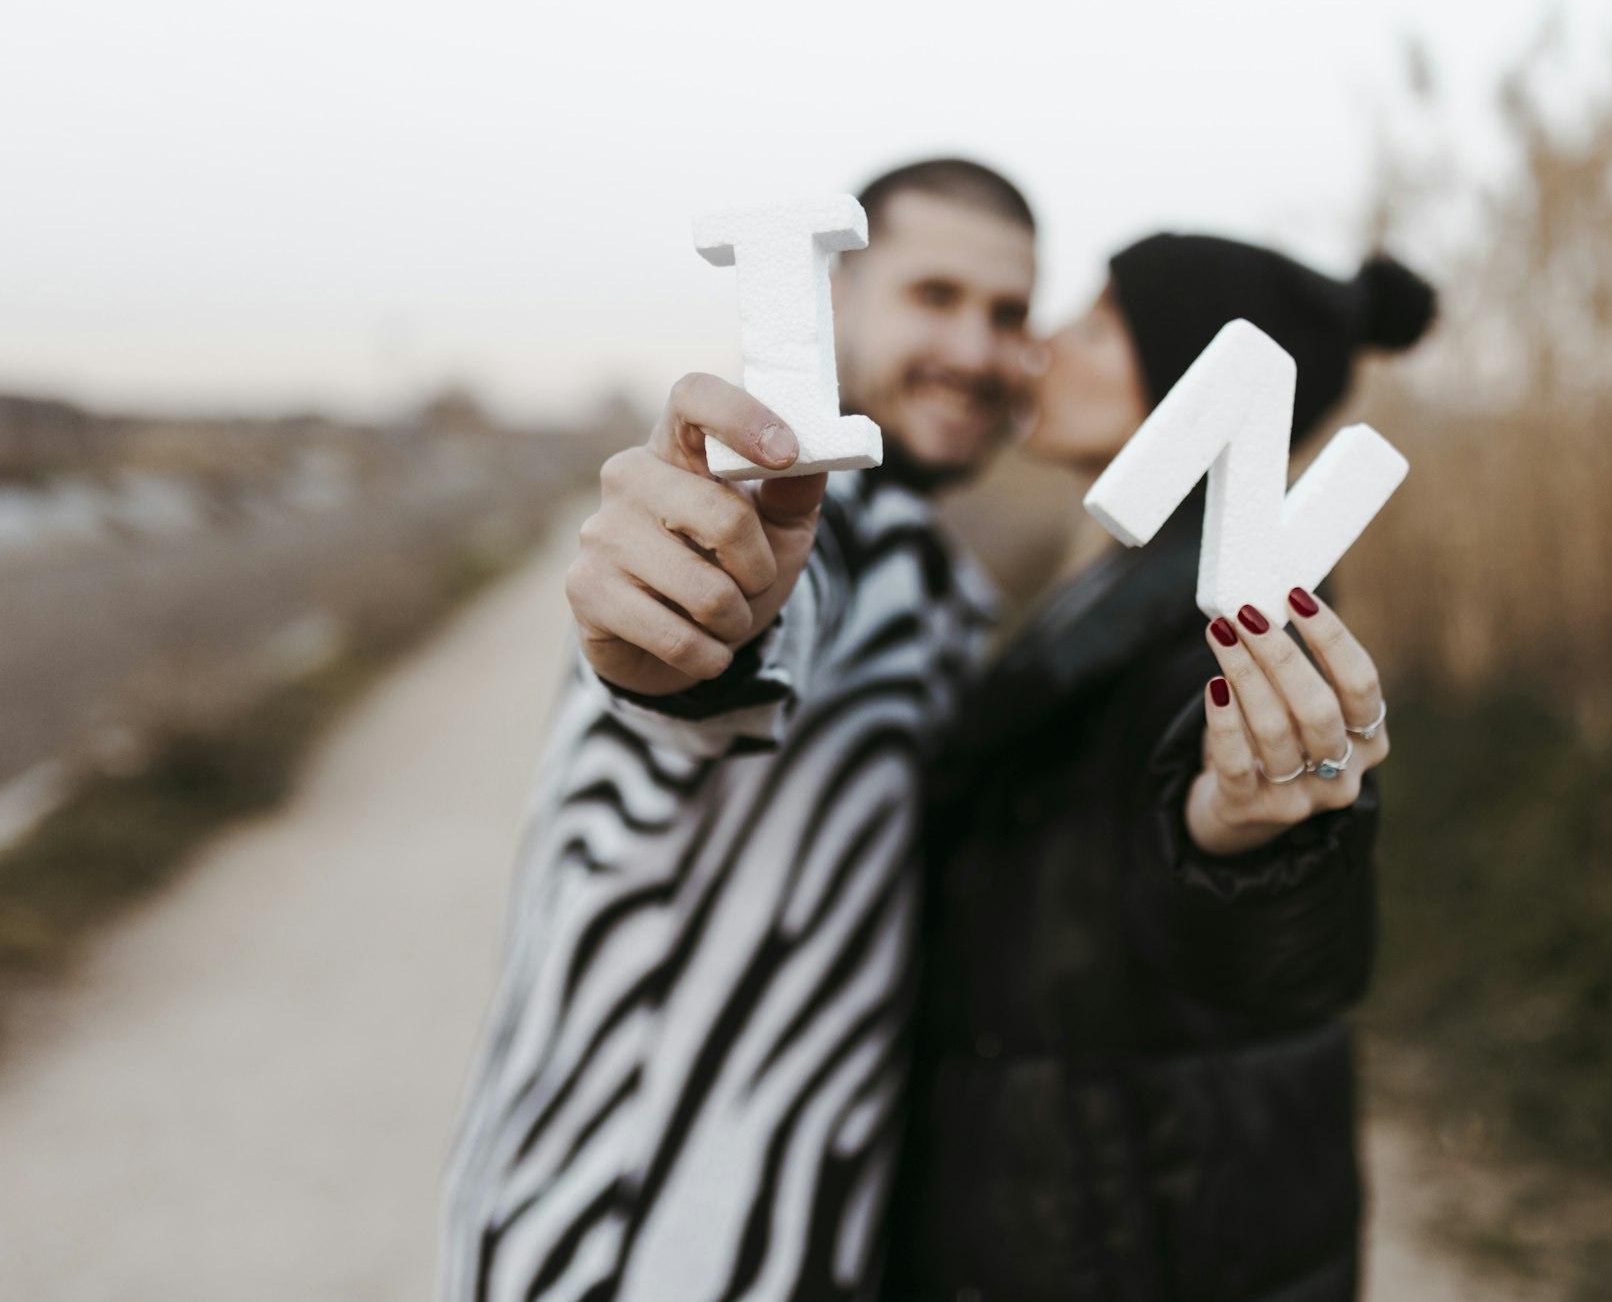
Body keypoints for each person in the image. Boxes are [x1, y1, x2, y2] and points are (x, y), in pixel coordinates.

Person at [440, 157, 1038, 1302]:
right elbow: (719, 659)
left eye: (1007, 313)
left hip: (799, 1243)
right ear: (835, 300)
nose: (974, 348)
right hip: (626, 1249)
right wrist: (678, 641)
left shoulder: (942, 578)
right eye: (935, 295)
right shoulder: (801, 528)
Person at [883, 234, 1437, 1300]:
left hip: (1147, 1238)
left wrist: (1239, 831)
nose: (1042, 347)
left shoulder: (1221, 636)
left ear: (1196, 384)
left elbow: (1263, 897)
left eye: (1093, 325)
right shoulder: (1107, 583)